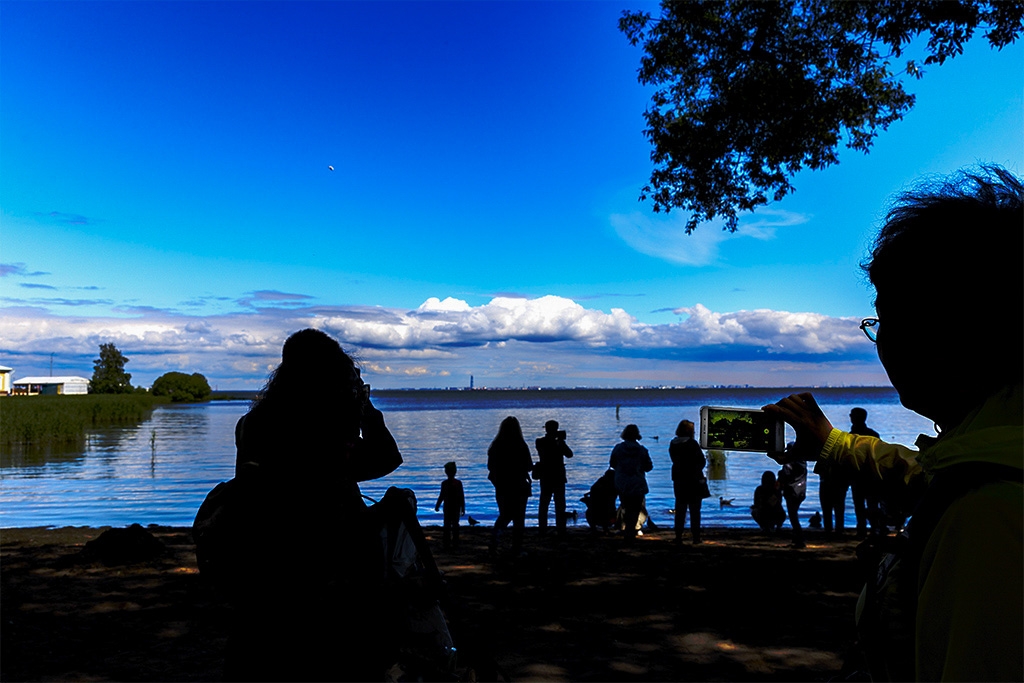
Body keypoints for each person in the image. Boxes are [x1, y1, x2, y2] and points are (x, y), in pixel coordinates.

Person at [765, 166, 1023, 681]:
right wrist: (833, 444)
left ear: (945, 328)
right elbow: (925, 475)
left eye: (885, 318)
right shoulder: (990, 454)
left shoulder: (989, 516)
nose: (881, 341)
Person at [201, 328, 404, 681]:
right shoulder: (322, 432)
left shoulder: (253, 424)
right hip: (323, 586)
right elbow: (383, 459)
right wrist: (367, 409)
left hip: (263, 578)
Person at [487, 416, 534, 554]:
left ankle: (495, 540)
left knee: (504, 515)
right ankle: (516, 547)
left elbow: (490, 466)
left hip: (501, 486)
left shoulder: (496, 446)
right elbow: (529, 466)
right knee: (519, 519)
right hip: (519, 486)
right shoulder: (521, 445)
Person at [609, 424, 653, 541]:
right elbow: (648, 466)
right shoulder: (642, 450)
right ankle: (632, 530)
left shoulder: (618, 448)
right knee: (636, 508)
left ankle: (626, 529)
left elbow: (612, 463)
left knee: (626, 506)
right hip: (637, 482)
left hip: (622, 482)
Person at [669, 419, 707, 544]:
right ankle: (696, 536)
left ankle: (678, 536)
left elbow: (674, 459)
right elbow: (701, 461)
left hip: (679, 479)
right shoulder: (692, 444)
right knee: (695, 510)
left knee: (680, 508)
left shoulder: (673, 444)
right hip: (693, 479)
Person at [534, 420, 574, 537]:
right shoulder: (543, 442)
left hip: (548, 476)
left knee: (547, 504)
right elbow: (569, 454)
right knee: (557, 504)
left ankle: (545, 529)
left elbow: (569, 454)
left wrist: (560, 441)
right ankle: (559, 529)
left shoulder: (543, 441)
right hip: (556, 476)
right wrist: (559, 441)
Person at [849, 407, 881, 537]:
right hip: (868, 476)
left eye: (852, 415)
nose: (850, 417)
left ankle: (865, 529)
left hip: (861, 476)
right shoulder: (873, 434)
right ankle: (872, 528)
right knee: (869, 504)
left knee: (862, 505)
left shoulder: (852, 436)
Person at [778, 456, 808, 548]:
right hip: (801, 491)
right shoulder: (802, 463)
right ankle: (796, 537)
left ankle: (799, 538)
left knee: (793, 516)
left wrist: (780, 476)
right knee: (794, 515)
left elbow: (785, 476)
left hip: (791, 491)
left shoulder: (789, 463)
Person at [435, 461, 465, 550]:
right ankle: (451, 543)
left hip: (451, 507)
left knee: (449, 525)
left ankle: (449, 543)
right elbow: (461, 497)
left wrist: (437, 505)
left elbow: (442, 496)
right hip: (452, 507)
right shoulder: (456, 483)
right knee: (452, 525)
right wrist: (463, 507)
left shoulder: (447, 483)